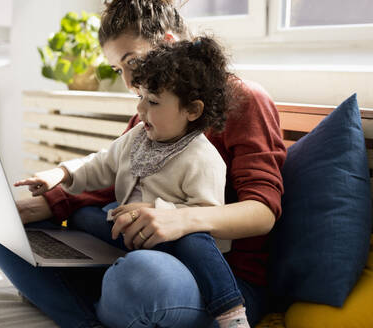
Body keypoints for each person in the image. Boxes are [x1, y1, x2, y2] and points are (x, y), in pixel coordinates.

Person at [0, 1, 286, 327]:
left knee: (139, 275)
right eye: (119, 70)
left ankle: (71, 298)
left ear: (170, 44)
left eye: (131, 61)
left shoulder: (244, 100)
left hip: (220, 279)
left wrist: (179, 220)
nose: (129, 81)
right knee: (9, 241)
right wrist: (37, 207)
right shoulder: (147, 113)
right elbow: (110, 173)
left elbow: (261, 212)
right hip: (141, 249)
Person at [14, 36, 250, 328]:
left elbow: (205, 216)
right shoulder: (139, 137)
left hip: (178, 249)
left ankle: (230, 311)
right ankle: (66, 284)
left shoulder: (202, 157)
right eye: (141, 97)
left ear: (192, 110)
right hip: (133, 236)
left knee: (196, 239)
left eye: (152, 102)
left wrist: (155, 210)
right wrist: (60, 174)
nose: (140, 110)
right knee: (83, 216)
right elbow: (101, 162)